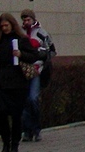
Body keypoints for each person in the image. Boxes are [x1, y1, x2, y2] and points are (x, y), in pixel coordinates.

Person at [0, 13, 38, 152]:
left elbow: (33, 56)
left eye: (6, 25)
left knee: (16, 115)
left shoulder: (21, 39)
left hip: (18, 83)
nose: (4, 28)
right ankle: (6, 143)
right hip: (3, 84)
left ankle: (14, 145)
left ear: (12, 24)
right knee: (2, 114)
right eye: (2, 26)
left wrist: (21, 54)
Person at [19, 9, 54, 143]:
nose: (26, 22)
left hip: (36, 71)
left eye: (28, 19)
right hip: (22, 71)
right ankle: (27, 131)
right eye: (24, 20)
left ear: (33, 19)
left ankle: (36, 128)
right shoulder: (20, 34)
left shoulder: (41, 33)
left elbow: (51, 50)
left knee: (33, 99)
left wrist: (41, 60)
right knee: (25, 101)